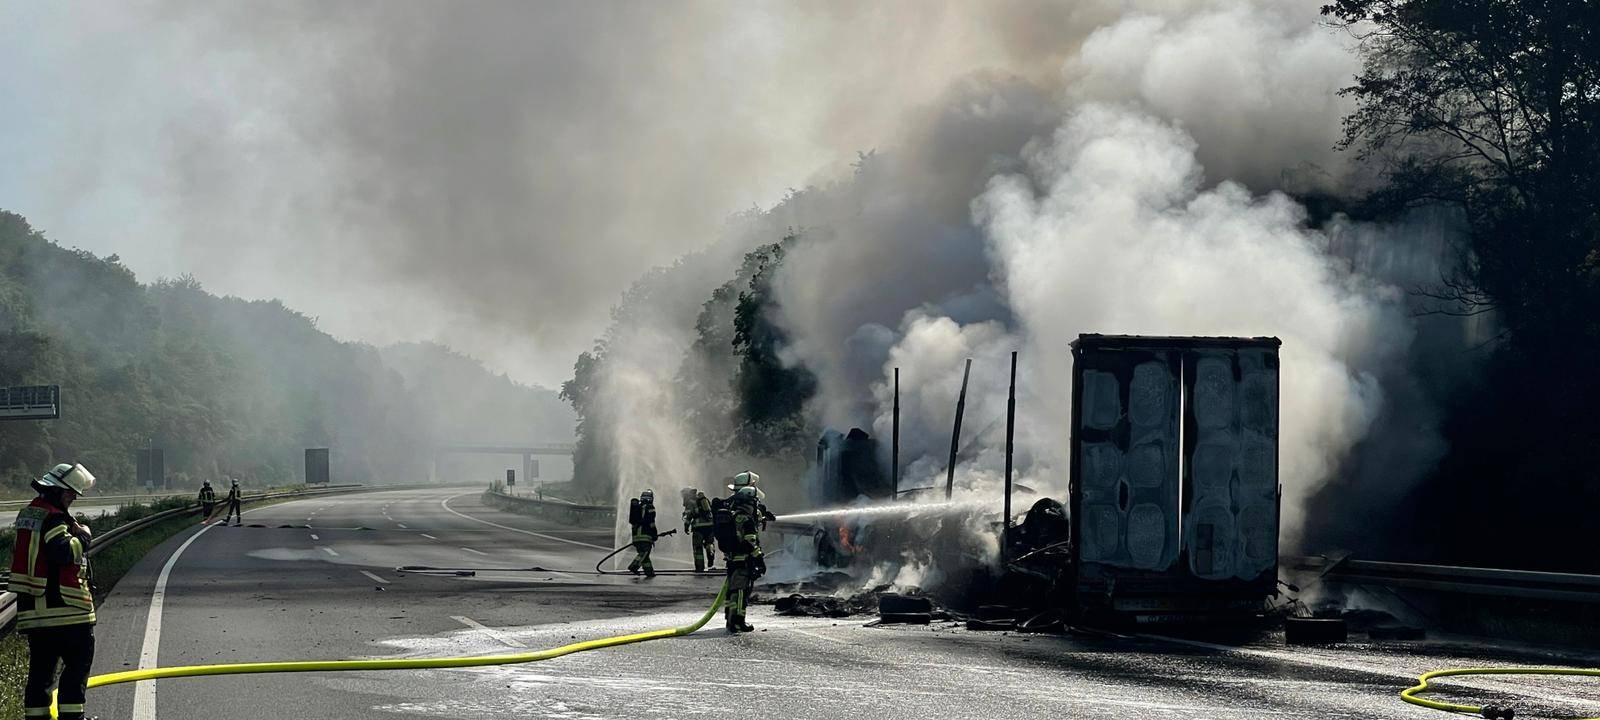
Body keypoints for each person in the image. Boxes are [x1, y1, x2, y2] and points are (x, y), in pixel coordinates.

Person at [9, 463, 98, 720]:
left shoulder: (29, 514)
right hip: (68, 612)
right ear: (58, 491)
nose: (73, 499)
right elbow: (63, 552)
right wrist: (84, 537)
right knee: (75, 671)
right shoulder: (54, 517)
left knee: (40, 677)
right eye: (71, 494)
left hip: (35, 613)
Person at [724, 485, 765, 633]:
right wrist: (759, 558)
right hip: (743, 561)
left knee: (732, 590)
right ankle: (738, 621)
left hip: (732, 560)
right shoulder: (746, 519)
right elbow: (750, 542)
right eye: (754, 502)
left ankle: (729, 619)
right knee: (741, 591)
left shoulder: (735, 515)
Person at [682, 488, 715, 572]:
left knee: (698, 548)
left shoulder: (690, 502)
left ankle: (700, 567)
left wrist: (686, 526)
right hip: (710, 526)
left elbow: (688, 515)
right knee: (709, 543)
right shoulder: (704, 500)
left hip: (698, 528)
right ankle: (710, 553)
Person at [627, 489, 657, 577]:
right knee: (645, 552)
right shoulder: (650, 507)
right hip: (645, 535)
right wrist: (654, 533)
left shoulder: (637, 508)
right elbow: (651, 522)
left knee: (645, 556)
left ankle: (649, 572)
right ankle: (634, 566)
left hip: (636, 536)